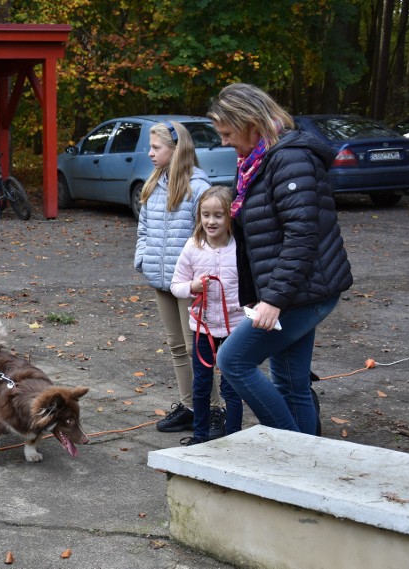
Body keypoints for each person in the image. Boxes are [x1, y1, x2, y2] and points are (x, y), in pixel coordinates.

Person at [207, 83, 352, 434]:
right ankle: (307, 461)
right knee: (290, 382)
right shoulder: (256, 162)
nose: (224, 142)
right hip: (293, 290)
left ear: (250, 122)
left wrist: (273, 300)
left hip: (303, 292)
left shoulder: (289, 158)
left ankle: (288, 448)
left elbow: (302, 235)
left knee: (233, 360)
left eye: (227, 133)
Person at [134, 120, 225, 435]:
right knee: (175, 345)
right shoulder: (152, 184)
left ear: (177, 150)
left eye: (156, 147)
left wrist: (199, 277)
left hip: (190, 285)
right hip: (161, 280)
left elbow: (209, 233)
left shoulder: (198, 187)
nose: (150, 153)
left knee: (195, 347)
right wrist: (143, 260)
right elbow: (144, 228)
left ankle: (213, 409)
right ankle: (189, 406)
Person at [170, 185, 244, 445]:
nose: (211, 221)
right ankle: (200, 435)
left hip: (236, 327)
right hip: (203, 328)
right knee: (201, 384)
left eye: (218, 215)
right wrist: (192, 287)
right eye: (206, 215)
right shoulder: (192, 247)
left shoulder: (240, 248)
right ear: (199, 216)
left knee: (232, 386)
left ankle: (233, 436)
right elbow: (175, 285)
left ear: (230, 216)